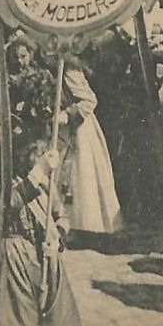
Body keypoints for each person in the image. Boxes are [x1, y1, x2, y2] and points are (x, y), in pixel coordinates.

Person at [0, 142, 82, 326]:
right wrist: (37, 173)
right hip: (14, 259)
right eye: (35, 150)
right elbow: (6, 207)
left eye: (41, 149)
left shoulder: (45, 181)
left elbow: (61, 215)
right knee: (16, 321)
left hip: (46, 257)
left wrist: (58, 238)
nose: (41, 153)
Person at [55, 57, 123, 236]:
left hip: (79, 129)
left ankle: (84, 225)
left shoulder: (68, 69)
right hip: (59, 131)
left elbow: (89, 100)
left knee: (82, 176)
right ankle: (64, 223)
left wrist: (68, 115)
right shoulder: (46, 68)